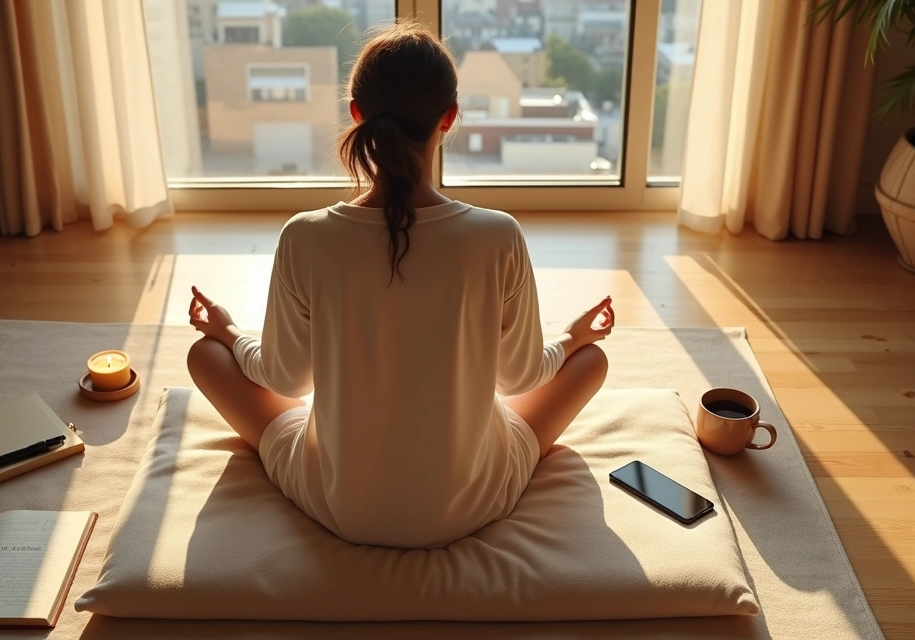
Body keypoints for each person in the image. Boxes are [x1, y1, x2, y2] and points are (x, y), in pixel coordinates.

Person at [187, 22, 613, 549]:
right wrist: (572, 338)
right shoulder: (498, 235)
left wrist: (229, 333)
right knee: (592, 364)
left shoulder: (305, 236)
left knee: (204, 357)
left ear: (356, 112)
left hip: (341, 505)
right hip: (471, 504)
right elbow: (520, 376)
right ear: (449, 118)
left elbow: (284, 379)